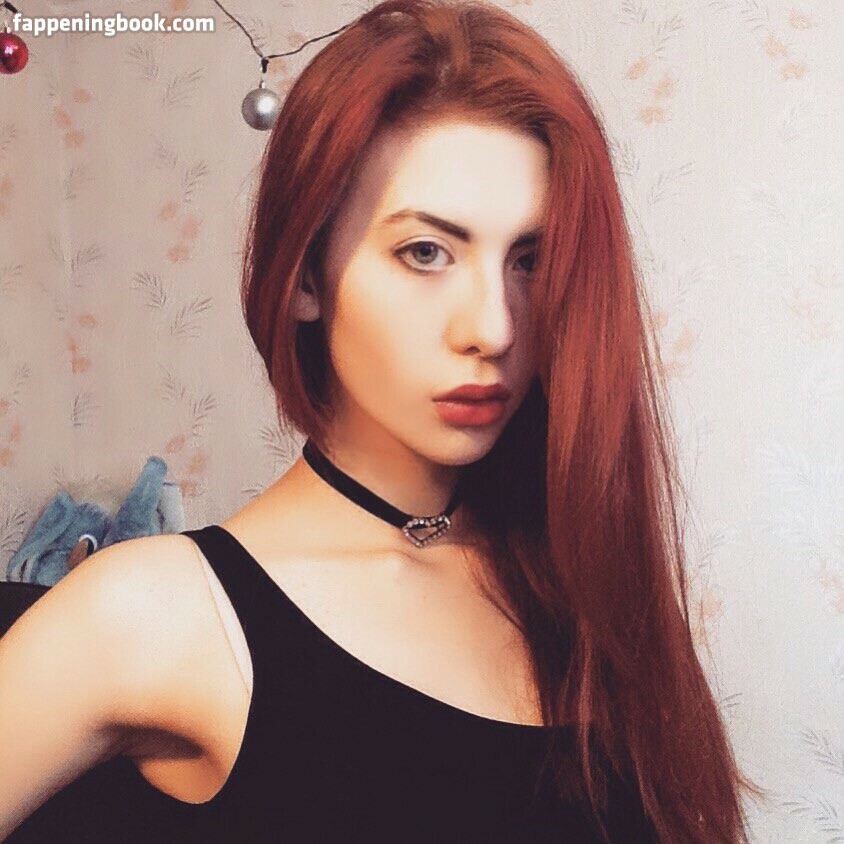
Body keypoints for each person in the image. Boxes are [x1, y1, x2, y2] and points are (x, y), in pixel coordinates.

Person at [0, 0, 765, 841]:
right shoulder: (155, 612)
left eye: (531, 260)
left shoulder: (586, 589)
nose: (493, 329)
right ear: (305, 274)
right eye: (425, 252)